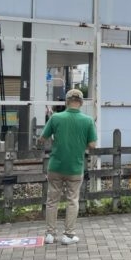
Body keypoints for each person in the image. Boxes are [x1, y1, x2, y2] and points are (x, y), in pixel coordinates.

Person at [40, 88, 97, 245]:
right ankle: (69, 235)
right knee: (72, 200)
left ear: (66, 101)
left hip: (55, 165)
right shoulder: (88, 120)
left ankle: (50, 235)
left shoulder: (56, 117)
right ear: (81, 102)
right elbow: (92, 145)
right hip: (75, 166)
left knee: (52, 200)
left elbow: (42, 138)